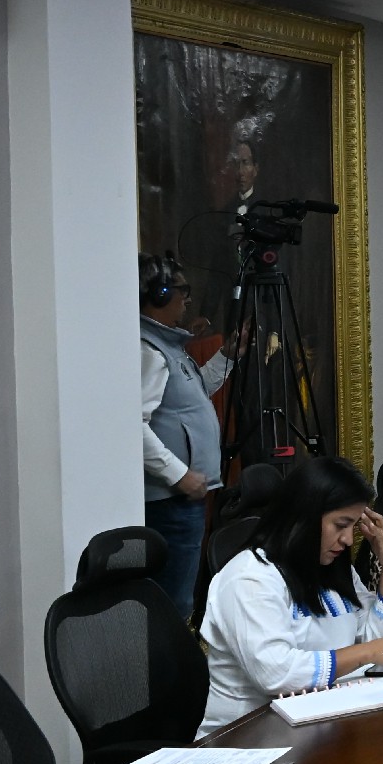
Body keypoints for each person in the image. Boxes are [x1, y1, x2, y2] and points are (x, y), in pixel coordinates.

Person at [197, 456, 383, 734]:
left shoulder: (331, 567)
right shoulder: (249, 577)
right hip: (247, 737)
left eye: (353, 526)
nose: (348, 540)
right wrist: (365, 653)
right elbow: (276, 674)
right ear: (304, 516)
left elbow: (379, 644)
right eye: (340, 525)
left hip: (320, 724)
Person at [139, 253, 233, 618]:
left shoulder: (167, 346)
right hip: (170, 501)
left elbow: (194, 396)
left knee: (178, 599)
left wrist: (228, 356)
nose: (187, 300)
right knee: (173, 603)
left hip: (179, 499)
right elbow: (132, 425)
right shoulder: (150, 351)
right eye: (182, 291)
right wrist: (178, 475)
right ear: (160, 294)